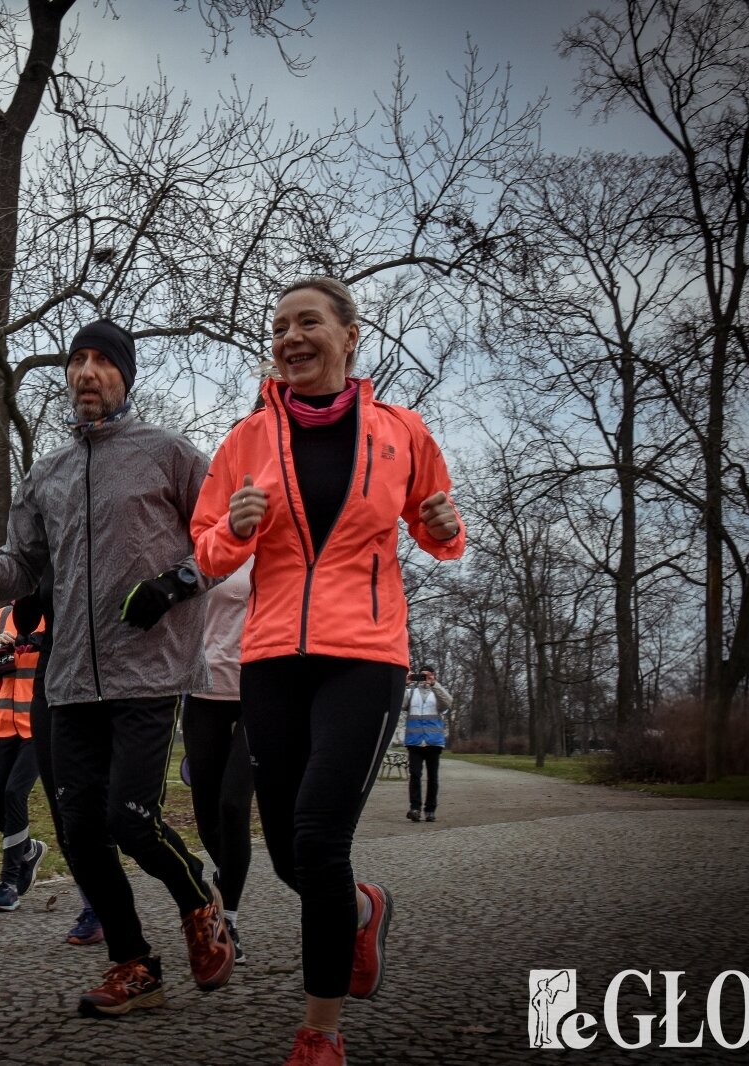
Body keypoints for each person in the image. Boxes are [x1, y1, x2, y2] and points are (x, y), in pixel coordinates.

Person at [190, 278, 465, 1066]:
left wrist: (445, 525)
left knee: (318, 834)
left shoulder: (402, 431)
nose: (290, 338)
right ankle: (362, 911)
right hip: (271, 659)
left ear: (350, 334)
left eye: (306, 322)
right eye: (279, 328)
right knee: (286, 852)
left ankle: (321, 1031)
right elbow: (206, 550)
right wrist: (234, 530)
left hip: (365, 657)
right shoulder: (246, 440)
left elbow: (439, 530)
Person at [0, 319, 234, 1017]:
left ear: (125, 376)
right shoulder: (47, 473)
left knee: (132, 820)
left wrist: (173, 586)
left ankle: (199, 902)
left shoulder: (169, 454)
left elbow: (224, 538)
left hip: (149, 671)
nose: (86, 372)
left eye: (103, 361)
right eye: (77, 360)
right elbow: (22, 570)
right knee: (79, 831)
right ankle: (133, 963)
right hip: (69, 677)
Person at [17, 569, 103, 945]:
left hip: (106, 682)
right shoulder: (47, 555)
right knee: (63, 807)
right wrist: (28, 581)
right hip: (50, 684)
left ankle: (193, 897)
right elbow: (25, 619)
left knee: (112, 811)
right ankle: (94, 905)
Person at [182, 555, 255, 963]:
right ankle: (226, 876)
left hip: (256, 691)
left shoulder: (267, 548)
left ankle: (228, 918)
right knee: (207, 815)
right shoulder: (196, 549)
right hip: (202, 690)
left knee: (233, 804)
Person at [0, 594, 48, 911]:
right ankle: (29, 851)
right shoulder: (1, 614)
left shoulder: (53, 609)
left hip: (37, 723)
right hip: (2, 723)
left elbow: (60, 651)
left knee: (13, 794)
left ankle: (8, 884)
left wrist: (27, 640)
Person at [402, 663, 453, 822]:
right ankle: (415, 808)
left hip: (433, 742)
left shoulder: (437, 693)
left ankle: (430, 810)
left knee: (433, 777)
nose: (424, 678)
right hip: (414, 742)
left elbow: (448, 702)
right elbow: (400, 704)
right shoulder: (411, 693)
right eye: (422, 675)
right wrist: (405, 684)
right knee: (415, 775)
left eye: (428, 675)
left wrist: (434, 684)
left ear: (433, 676)